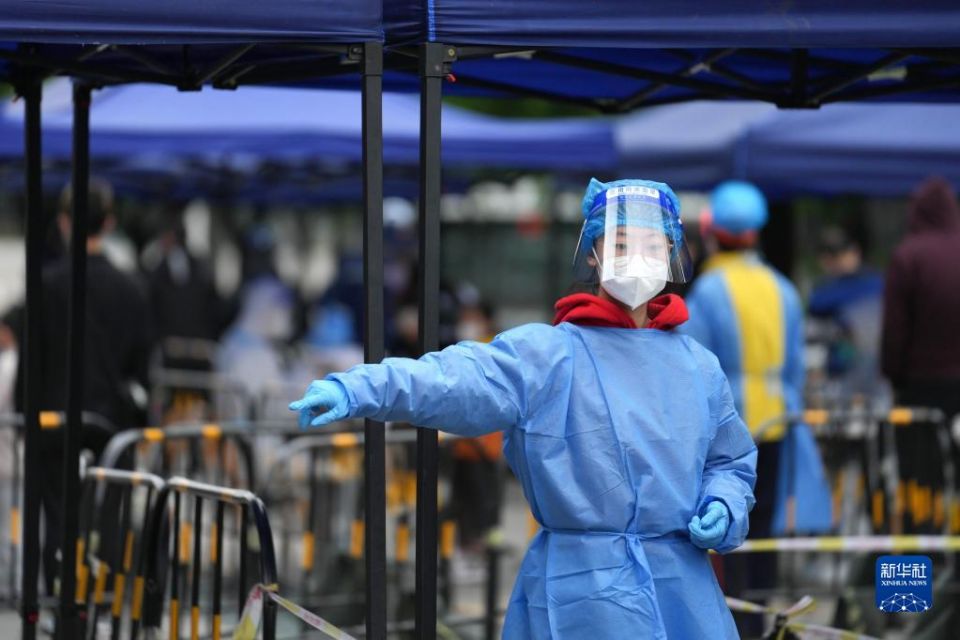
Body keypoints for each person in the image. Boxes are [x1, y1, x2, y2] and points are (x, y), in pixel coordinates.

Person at [290, 178, 757, 639]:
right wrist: (359, 388)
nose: (636, 260)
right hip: (584, 597)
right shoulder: (549, 356)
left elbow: (729, 462)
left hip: (682, 594)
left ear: (671, 252)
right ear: (592, 254)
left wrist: (723, 504)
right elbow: (455, 380)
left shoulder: (698, 366)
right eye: (620, 244)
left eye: (651, 246)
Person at [680, 181, 828, 632]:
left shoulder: (707, 291)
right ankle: (763, 624)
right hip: (778, 421)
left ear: (714, 234)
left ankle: (733, 624)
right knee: (763, 531)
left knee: (726, 525)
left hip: (725, 427)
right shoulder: (783, 288)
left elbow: (692, 366)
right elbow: (796, 368)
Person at [25, 179, 152, 596]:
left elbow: (32, 362)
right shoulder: (132, 289)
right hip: (113, 424)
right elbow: (142, 368)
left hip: (55, 423)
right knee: (107, 521)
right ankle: (101, 606)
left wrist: (27, 417)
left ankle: (60, 606)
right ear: (109, 223)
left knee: (59, 522)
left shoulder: (47, 285)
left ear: (64, 222)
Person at [881, 176, 960, 534]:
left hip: (921, 388)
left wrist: (894, 376)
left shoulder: (908, 255)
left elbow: (896, 329)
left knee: (921, 478)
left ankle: (923, 551)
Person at [809, 226, 887, 407]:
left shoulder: (875, 284)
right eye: (830, 257)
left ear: (855, 251)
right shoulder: (823, 291)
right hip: (841, 374)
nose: (836, 262)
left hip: (874, 372)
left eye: (840, 254)